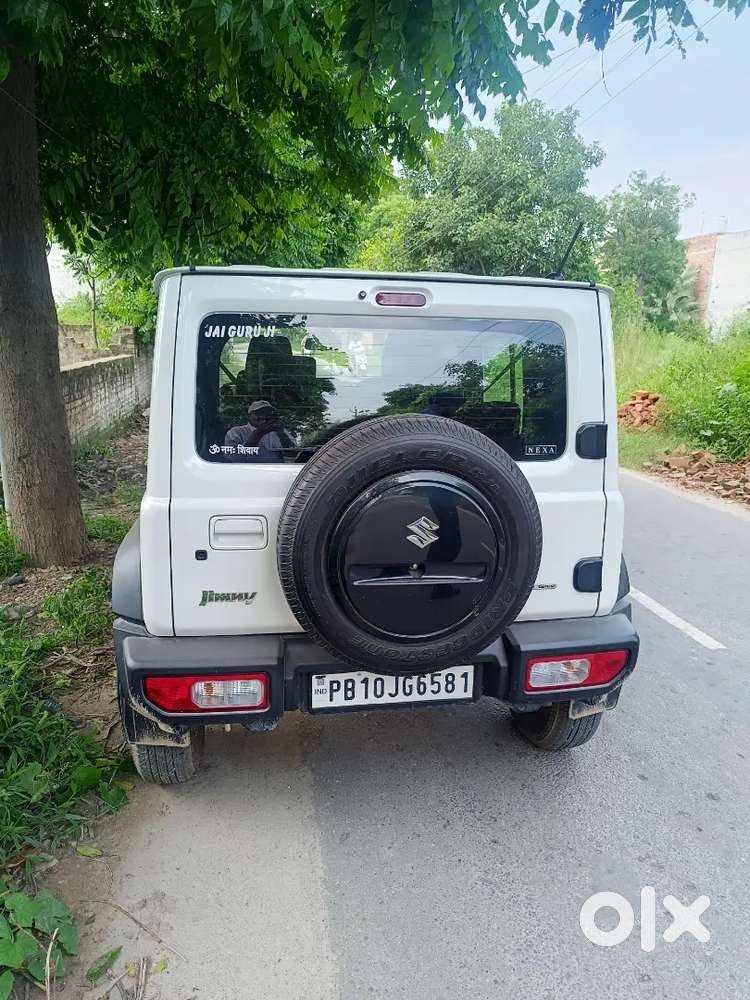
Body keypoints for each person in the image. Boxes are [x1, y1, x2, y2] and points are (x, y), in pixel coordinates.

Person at [224, 400, 294, 462]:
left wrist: (282, 434)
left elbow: (293, 454)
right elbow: (233, 458)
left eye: (268, 412)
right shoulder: (236, 432)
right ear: (249, 415)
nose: (264, 416)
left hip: (276, 471)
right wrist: (259, 433)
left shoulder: (278, 431)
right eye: (259, 412)